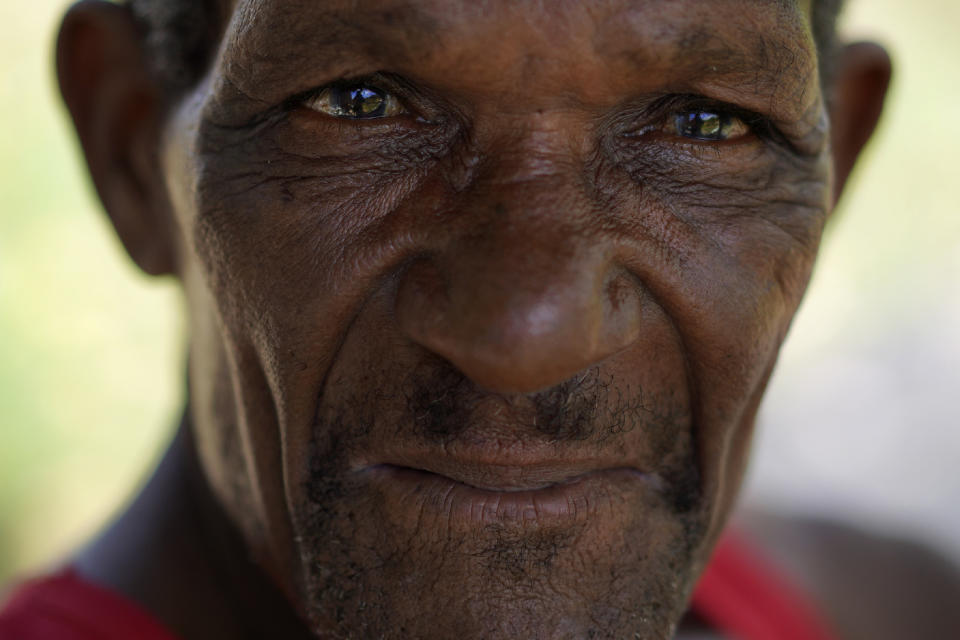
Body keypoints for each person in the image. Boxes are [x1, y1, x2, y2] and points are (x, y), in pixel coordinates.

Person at [0, 0, 922, 637]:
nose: (528, 337)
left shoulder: (877, 607)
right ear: (128, 152)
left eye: (703, 124)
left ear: (836, 160)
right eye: (357, 105)